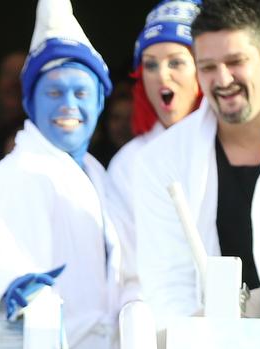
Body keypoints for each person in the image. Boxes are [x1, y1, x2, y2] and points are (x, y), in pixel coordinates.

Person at [0, 0, 133, 349]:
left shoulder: (101, 175)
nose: (69, 106)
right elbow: (0, 257)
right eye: (54, 92)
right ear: (30, 101)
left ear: (99, 100)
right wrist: (24, 288)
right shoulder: (16, 174)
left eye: (81, 93)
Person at [133, 0, 260, 328]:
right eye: (208, 67)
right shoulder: (161, 159)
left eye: (235, 62)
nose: (223, 80)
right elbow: (167, 284)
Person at [106, 1, 202, 255]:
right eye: (150, 65)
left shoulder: (233, 144)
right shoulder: (127, 164)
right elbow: (126, 267)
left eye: (176, 62)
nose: (161, 75)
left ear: (202, 69)